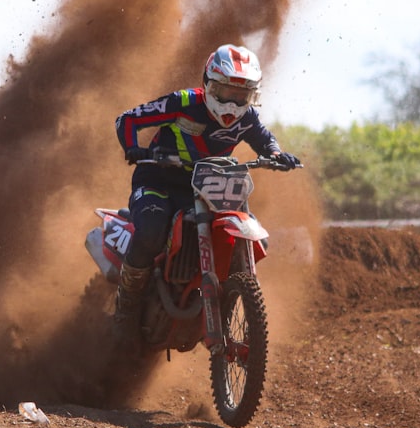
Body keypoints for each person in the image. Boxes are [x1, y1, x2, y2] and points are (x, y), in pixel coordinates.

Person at [112, 43, 301, 341]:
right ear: (209, 84)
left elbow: (265, 139)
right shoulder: (184, 102)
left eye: (242, 96)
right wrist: (133, 148)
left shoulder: (247, 117)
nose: (233, 104)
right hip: (158, 181)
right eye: (226, 92)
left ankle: (227, 299)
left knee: (244, 228)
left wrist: (277, 155)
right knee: (151, 229)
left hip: (207, 187)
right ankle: (126, 308)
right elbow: (127, 120)